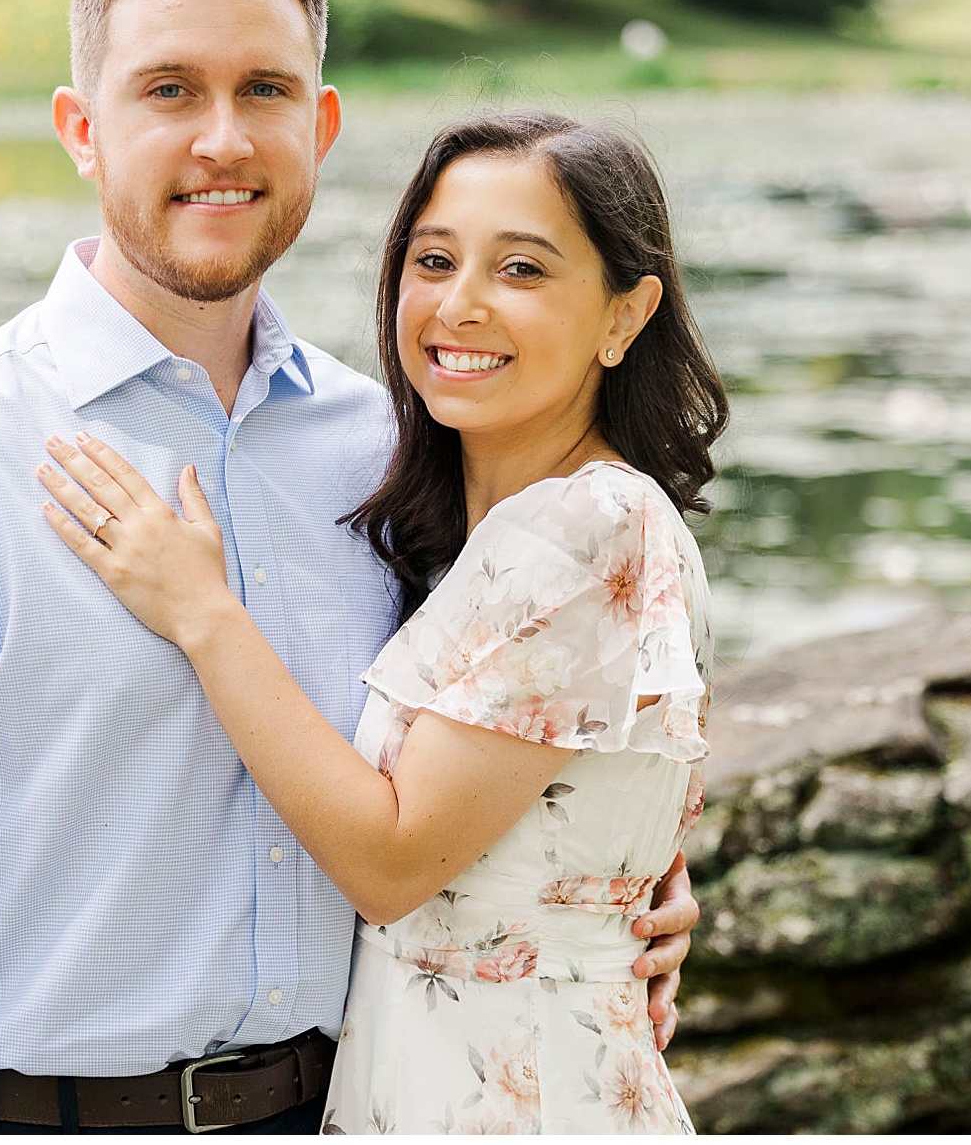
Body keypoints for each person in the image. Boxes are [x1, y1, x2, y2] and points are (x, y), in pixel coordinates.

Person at [0, 0, 701, 1136]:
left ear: (319, 126)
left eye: (262, 90)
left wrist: (613, 883)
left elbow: (483, 740)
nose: (221, 139)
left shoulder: (395, 444)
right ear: (81, 129)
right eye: (166, 91)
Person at [40, 110, 727, 1133]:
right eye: (433, 259)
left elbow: (391, 860)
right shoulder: (472, 532)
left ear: (623, 316)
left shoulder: (590, 523)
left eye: (522, 270)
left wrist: (200, 611)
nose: (459, 305)